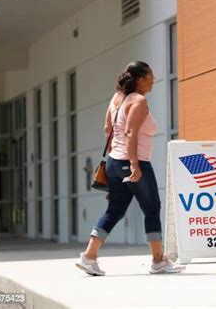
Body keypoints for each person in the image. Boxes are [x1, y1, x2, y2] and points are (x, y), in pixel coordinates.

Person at [76, 61, 185, 275]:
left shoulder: (116, 99)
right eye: (151, 76)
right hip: (134, 161)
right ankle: (158, 260)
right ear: (140, 79)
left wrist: (118, 166)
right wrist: (135, 165)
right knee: (152, 208)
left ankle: (89, 256)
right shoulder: (139, 101)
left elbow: (108, 128)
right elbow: (130, 133)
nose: (154, 80)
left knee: (115, 209)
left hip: (114, 162)